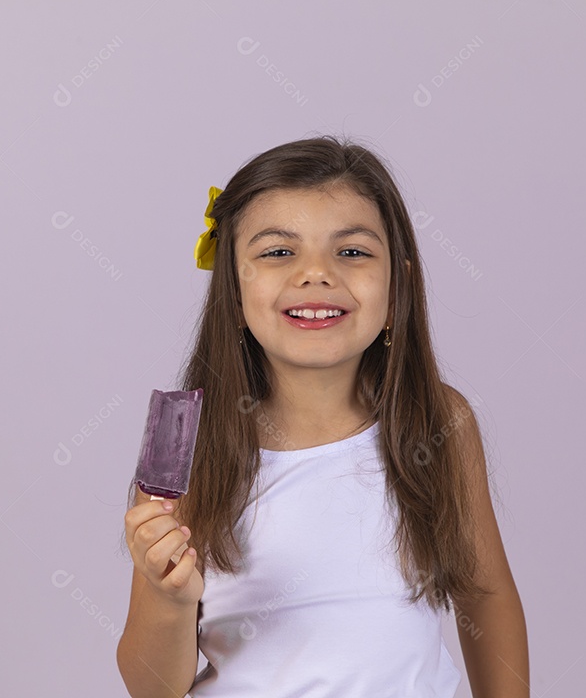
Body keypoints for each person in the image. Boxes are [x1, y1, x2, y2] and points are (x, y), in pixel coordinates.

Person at [116, 135, 528, 697]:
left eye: (352, 251)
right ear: (234, 295)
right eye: (278, 251)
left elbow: (486, 597)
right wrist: (168, 599)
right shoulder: (187, 447)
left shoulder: (439, 423)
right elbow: (151, 689)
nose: (316, 273)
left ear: (398, 285)